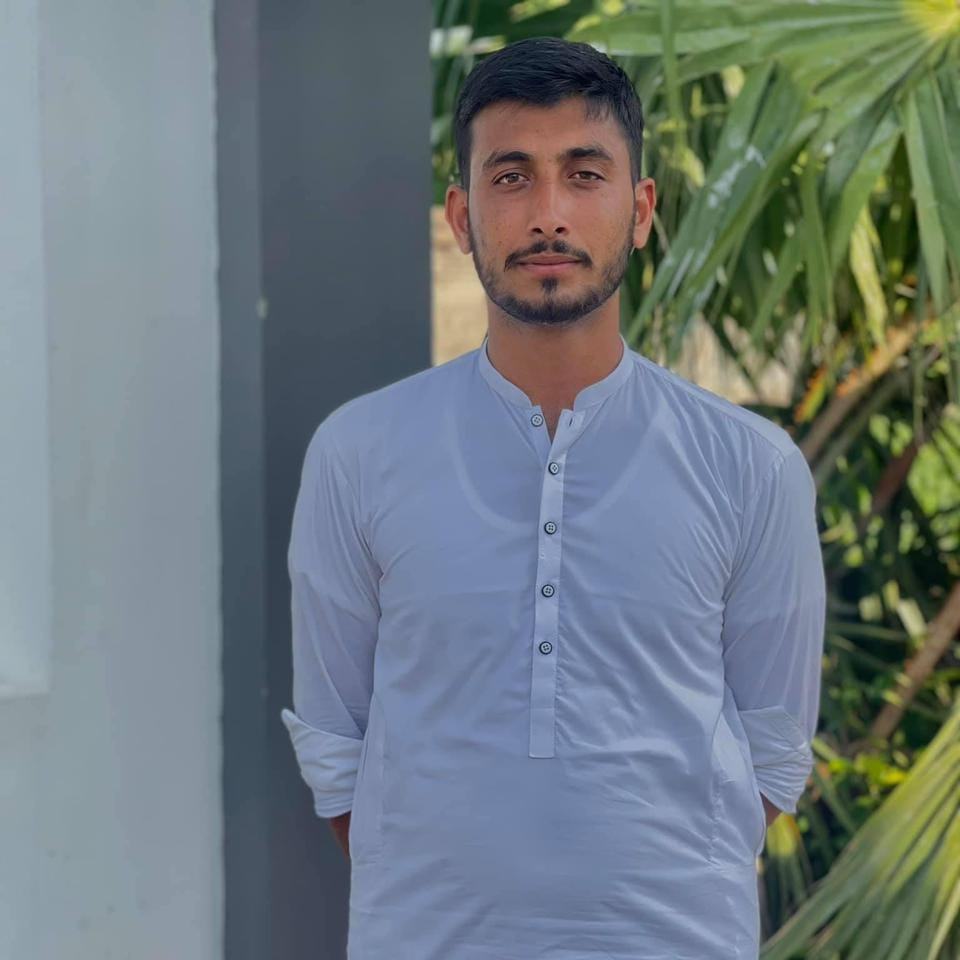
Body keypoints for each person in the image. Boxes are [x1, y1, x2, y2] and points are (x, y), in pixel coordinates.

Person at [281, 35, 826, 960]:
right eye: (511, 177)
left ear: (640, 209)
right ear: (461, 216)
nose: (547, 214)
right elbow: (337, 748)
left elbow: (772, 752)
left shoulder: (750, 466)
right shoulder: (358, 452)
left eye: (584, 174)